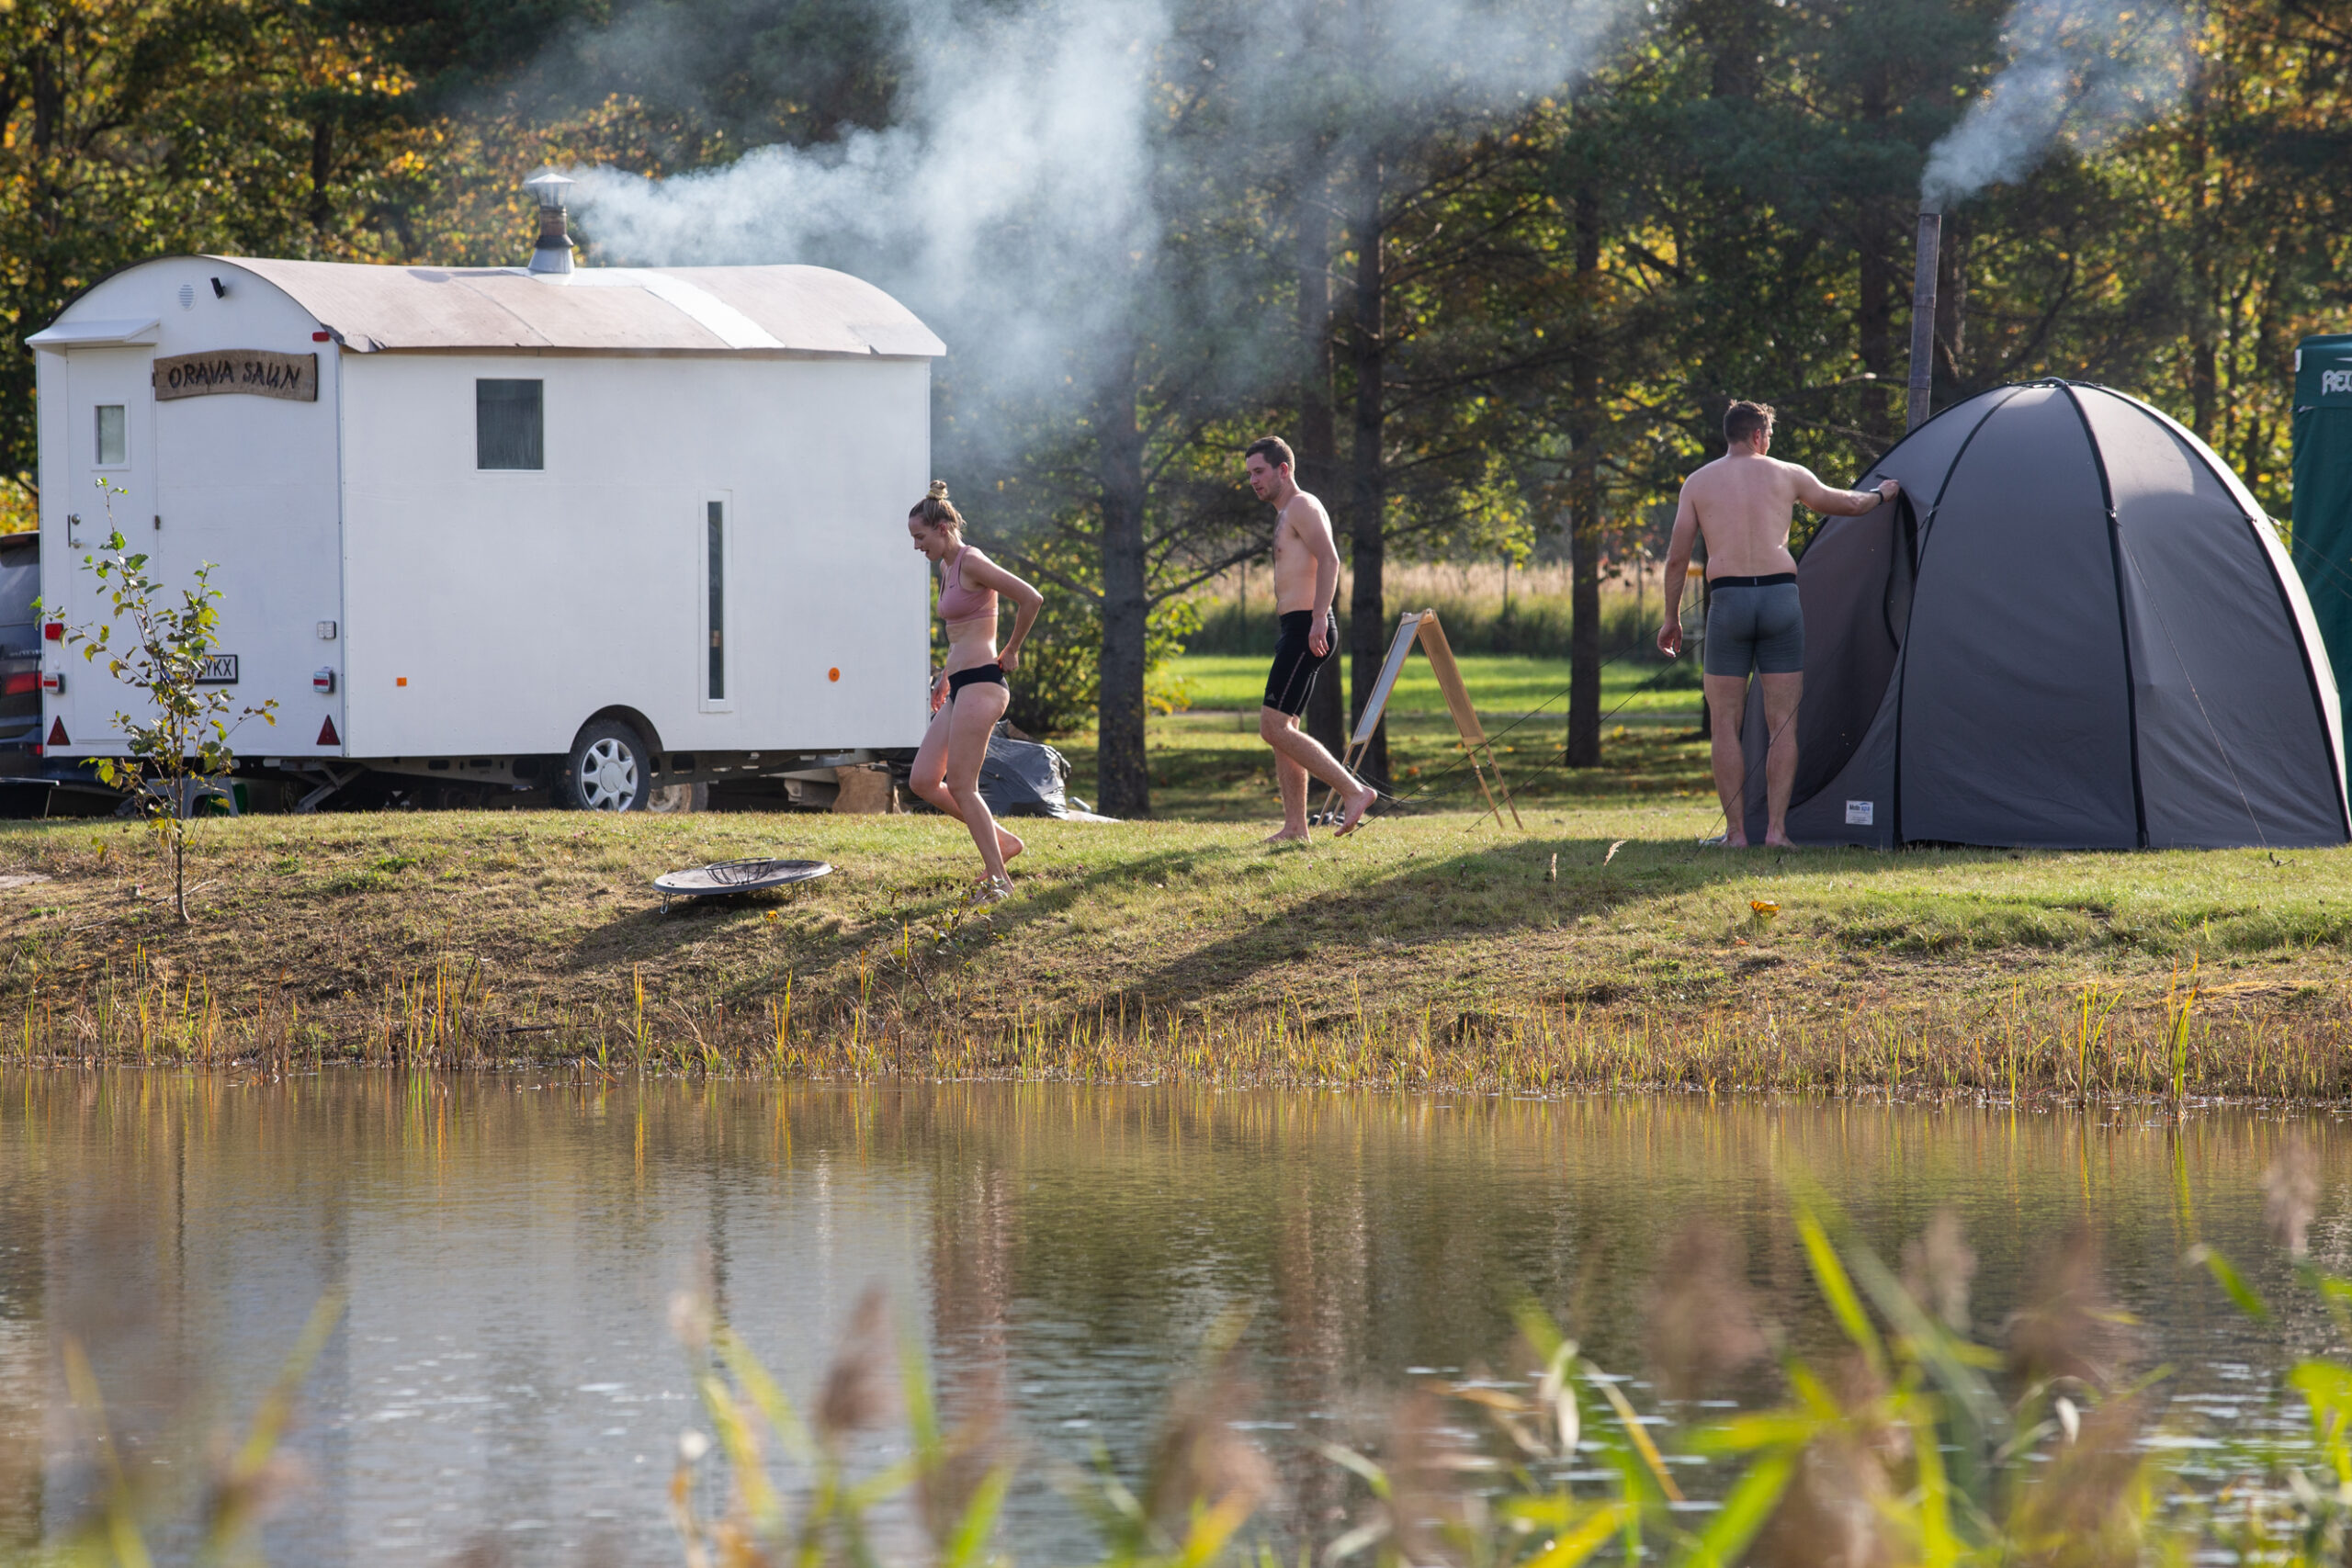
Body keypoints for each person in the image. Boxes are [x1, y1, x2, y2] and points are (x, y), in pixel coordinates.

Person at [1657, 400, 1898, 847]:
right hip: (1780, 601)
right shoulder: (1788, 474)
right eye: (1768, 435)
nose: (1769, 442)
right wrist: (1883, 494)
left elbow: (1676, 559)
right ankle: (1776, 831)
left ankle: (1735, 834)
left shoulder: (1698, 482)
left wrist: (1671, 617)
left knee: (1724, 722)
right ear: (1758, 436)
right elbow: (1847, 503)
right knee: (1783, 722)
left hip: (1728, 603)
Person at [905, 480, 1044, 902]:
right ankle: (1003, 841)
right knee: (923, 779)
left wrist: (1012, 649)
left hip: (984, 683)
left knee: (963, 785)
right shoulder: (946, 568)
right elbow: (962, 632)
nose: (916, 546)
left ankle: (999, 881)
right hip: (961, 684)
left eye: (920, 537)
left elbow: (1031, 598)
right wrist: (946, 676)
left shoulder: (972, 561)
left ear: (943, 528)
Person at [1242, 436, 1378, 841]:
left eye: (1259, 471)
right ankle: (1295, 827)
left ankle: (1355, 792)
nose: (1253, 480)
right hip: (1296, 627)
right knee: (1285, 728)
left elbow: (1331, 559)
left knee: (1272, 727)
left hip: (1307, 626)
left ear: (1283, 470)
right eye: (1249, 474)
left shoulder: (1302, 505)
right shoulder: (1287, 512)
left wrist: (1319, 616)